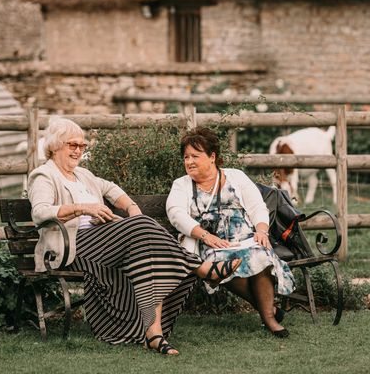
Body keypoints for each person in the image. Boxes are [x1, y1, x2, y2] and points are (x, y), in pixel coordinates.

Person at [28, 117, 241, 355]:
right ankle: (201, 268)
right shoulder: (44, 175)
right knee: (141, 229)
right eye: (73, 145)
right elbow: (40, 212)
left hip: (101, 240)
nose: (79, 150)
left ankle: (154, 334)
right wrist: (83, 208)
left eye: (82, 146)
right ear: (56, 145)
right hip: (71, 246)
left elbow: (111, 189)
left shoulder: (83, 175)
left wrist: (132, 209)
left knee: (150, 257)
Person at [166, 127, 295, 338]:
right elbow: (176, 215)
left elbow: (257, 207)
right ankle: (268, 312)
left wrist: (262, 231)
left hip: (245, 239)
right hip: (209, 244)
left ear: (212, 157)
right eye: (186, 157)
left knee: (259, 254)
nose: (189, 161)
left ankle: (270, 319)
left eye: (195, 156)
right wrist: (206, 236)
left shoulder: (236, 176)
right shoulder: (181, 185)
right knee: (222, 264)